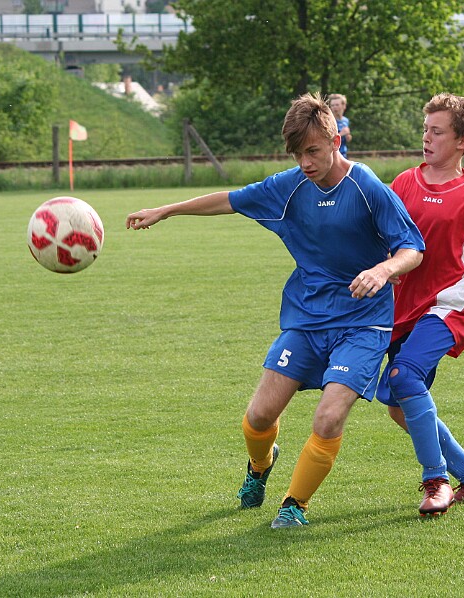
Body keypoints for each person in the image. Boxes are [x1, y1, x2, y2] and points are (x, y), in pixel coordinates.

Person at [126, 92, 425, 528]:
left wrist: (383, 269)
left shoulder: (368, 188)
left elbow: (412, 248)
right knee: (259, 417)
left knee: (328, 415)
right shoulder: (289, 187)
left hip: (364, 323)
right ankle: (260, 467)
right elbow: (229, 199)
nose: (305, 162)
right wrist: (166, 210)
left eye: (313, 151)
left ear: (335, 140)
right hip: (306, 320)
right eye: (297, 153)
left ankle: (294, 504)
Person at [376, 93, 464, 516]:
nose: (426, 138)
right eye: (425, 129)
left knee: (404, 378)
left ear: (463, 141)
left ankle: (435, 480)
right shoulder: (403, 182)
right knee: (399, 406)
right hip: (403, 306)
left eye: (437, 132)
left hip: (450, 304)